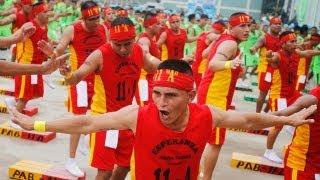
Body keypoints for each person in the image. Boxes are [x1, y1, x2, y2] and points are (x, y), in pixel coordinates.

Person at [11, 59, 316, 180]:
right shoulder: (137, 115)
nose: (160, 102)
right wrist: (35, 124)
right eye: (157, 93)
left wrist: (285, 119)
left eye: (170, 95)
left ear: (191, 95)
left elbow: (248, 121)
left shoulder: (207, 115)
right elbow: (86, 123)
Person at [48, 16, 160, 179]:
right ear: (110, 40)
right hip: (104, 119)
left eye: (127, 44)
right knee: (105, 171)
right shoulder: (100, 55)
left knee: (125, 165)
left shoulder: (138, 51)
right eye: (118, 45)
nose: (123, 49)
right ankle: (87, 143)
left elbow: (151, 66)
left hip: (127, 119)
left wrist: (173, 65)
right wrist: (68, 73)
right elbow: (78, 76)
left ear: (134, 39)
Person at [37, 1, 107, 177]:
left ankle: (86, 137)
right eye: (91, 19)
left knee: (100, 115)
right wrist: (51, 53)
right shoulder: (72, 29)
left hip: (99, 80)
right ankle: (71, 159)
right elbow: (60, 48)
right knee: (78, 119)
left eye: (98, 17)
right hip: (79, 81)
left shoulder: (103, 29)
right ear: (83, 18)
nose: (96, 22)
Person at [196, 12, 249, 179]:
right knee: (215, 142)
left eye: (248, 25)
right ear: (230, 27)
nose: (247, 29)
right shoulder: (230, 44)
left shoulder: (223, 39)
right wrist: (229, 63)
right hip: (215, 96)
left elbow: (205, 54)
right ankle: (206, 178)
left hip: (211, 92)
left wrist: (233, 68)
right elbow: (212, 63)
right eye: (242, 26)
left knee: (204, 137)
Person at [263, 31, 320, 164]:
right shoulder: (278, 55)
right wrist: (269, 57)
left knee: (303, 115)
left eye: (295, 41)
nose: (295, 44)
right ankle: (268, 151)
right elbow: (272, 59)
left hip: (292, 94)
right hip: (280, 96)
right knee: (278, 125)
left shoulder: (296, 52)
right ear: (283, 44)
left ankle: (290, 128)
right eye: (292, 42)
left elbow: (308, 53)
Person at [269, 86, 320, 180]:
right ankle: (268, 151)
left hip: (316, 161)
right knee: (277, 127)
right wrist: (252, 120)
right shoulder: (313, 98)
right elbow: (281, 114)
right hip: (303, 163)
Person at [8, 1, 50, 113]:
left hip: (36, 66)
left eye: (48, 11)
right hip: (26, 66)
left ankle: (12, 102)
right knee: (25, 96)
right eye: (45, 12)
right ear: (37, 13)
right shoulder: (30, 26)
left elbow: (45, 41)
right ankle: (14, 120)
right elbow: (16, 40)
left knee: (33, 93)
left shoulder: (44, 26)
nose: (48, 14)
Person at [250, 17, 282, 113]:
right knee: (263, 95)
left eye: (279, 24)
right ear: (270, 25)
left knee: (275, 94)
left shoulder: (281, 38)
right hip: (265, 70)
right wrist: (253, 49)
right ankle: (257, 116)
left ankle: (264, 112)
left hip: (278, 70)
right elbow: (255, 47)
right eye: (275, 24)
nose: (278, 25)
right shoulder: (264, 38)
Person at [137, 13, 161, 103]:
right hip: (144, 81)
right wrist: (161, 63)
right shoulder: (144, 40)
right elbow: (145, 54)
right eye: (157, 24)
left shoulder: (152, 39)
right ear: (150, 26)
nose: (160, 26)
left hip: (151, 78)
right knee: (145, 110)